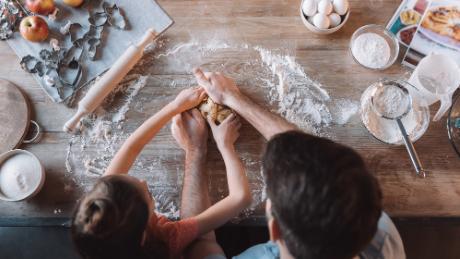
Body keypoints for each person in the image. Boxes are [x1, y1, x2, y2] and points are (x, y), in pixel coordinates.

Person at [192, 68, 406, 259]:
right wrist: (232, 97)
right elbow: (311, 159)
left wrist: (195, 151)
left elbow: (200, 244)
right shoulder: (382, 236)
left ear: (274, 229)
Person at [71, 87, 252, 259]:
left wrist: (175, 106)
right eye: (148, 195)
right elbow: (241, 197)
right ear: (143, 234)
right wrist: (225, 145)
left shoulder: (107, 211)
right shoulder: (167, 239)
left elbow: (132, 147)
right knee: (202, 242)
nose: (143, 182)